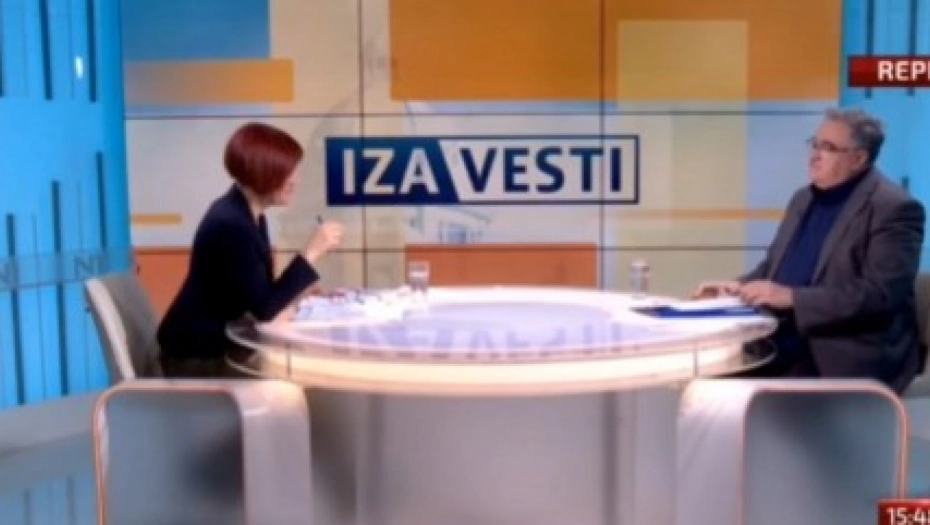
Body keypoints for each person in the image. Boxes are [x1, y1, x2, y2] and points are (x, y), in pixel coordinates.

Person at [694, 108, 925, 393]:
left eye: (828, 148)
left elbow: (880, 295)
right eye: (814, 144)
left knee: (725, 394)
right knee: (704, 380)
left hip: (844, 351)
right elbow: (773, 268)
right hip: (781, 336)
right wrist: (736, 289)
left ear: (858, 158)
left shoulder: (894, 208)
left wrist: (793, 298)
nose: (814, 155)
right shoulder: (803, 198)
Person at [157, 122, 344, 377]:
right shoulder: (232, 224)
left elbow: (259, 294)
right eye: (287, 173)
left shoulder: (249, 214)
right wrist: (312, 251)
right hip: (197, 360)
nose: (296, 180)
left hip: (218, 348)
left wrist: (298, 294)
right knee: (298, 378)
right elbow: (265, 309)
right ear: (263, 174)